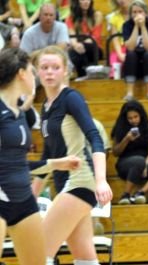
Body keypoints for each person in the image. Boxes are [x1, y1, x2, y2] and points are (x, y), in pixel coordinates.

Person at [31, 45, 113, 265]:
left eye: (55, 67)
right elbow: (49, 155)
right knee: (85, 257)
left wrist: (101, 180)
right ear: (37, 71)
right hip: (65, 184)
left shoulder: (71, 98)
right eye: (44, 67)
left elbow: (94, 137)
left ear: (65, 70)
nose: (49, 72)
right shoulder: (46, 108)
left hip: (80, 182)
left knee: (37, 253)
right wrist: (32, 194)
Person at [0, 47, 81, 265]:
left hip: (24, 202)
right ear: (21, 74)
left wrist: (56, 163)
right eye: (32, 70)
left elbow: (17, 163)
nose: (36, 76)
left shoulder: (20, 111)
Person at [111, 100, 148, 204]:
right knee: (138, 161)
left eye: (136, 117)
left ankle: (140, 193)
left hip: (144, 162)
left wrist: (145, 165)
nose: (133, 120)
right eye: (130, 118)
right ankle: (125, 195)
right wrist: (126, 139)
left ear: (141, 115)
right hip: (125, 164)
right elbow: (115, 152)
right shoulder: (120, 128)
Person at [122, 0, 148, 100]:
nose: (137, 15)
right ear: (130, 14)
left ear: (146, 13)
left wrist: (143, 26)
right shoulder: (127, 25)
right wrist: (136, 27)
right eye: (134, 12)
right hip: (135, 66)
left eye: (140, 11)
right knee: (131, 55)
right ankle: (129, 93)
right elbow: (130, 47)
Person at [66, 0, 104, 78]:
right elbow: (72, 37)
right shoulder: (70, 18)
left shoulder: (97, 15)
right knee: (76, 53)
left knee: (75, 52)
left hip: (95, 49)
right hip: (79, 50)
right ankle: (85, 77)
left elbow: (95, 37)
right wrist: (76, 45)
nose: (86, 2)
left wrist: (80, 44)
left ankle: (82, 76)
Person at [108, 0, 132, 79]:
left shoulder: (137, 13)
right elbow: (115, 39)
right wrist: (120, 54)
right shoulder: (114, 17)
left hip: (135, 46)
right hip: (121, 48)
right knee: (115, 59)